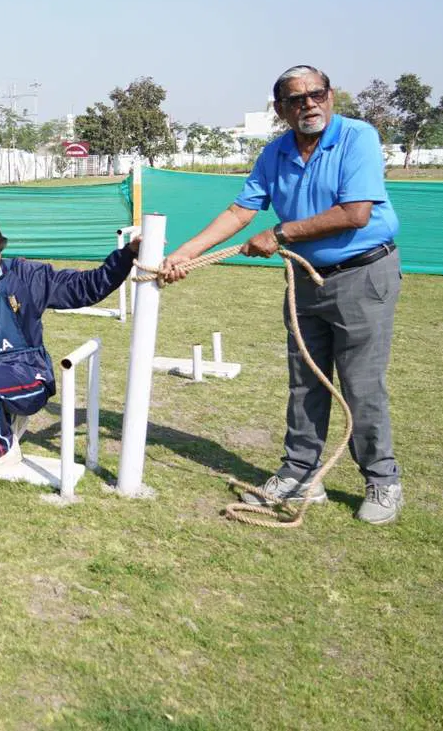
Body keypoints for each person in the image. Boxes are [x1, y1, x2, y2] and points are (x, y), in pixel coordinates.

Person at [160, 65, 403, 524]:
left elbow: (355, 213)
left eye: (316, 94)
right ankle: (300, 476)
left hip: (362, 274)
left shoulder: (357, 137)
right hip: (305, 279)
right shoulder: (275, 153)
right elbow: (239, 212)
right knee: (305, 380)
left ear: (330, 96)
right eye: (296, 99)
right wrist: (183, 255)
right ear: (281, 110)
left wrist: (282, 232)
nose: (308, 104)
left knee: (360, 382)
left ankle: (382, 480)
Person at [0, 212, 138, 477]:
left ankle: (2, 451)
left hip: (29, 374)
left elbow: (86, 287)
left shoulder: (25, 275)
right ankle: (2, 422)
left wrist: (127, 254)